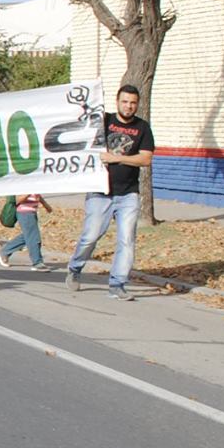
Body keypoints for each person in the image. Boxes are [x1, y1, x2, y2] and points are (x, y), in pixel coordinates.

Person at [67, 84, 156, 300]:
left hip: (128, 194)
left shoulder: (142, 128)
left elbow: (146, 158)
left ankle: (117, 284)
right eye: (125, 102)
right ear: (117, 102)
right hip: (100, 191)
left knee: (127, 239)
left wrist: (118, 158)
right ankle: (75, 268)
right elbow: (79, 125)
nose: (129, 106)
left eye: (133, 103)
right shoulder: (104, 121)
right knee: (91, 236)